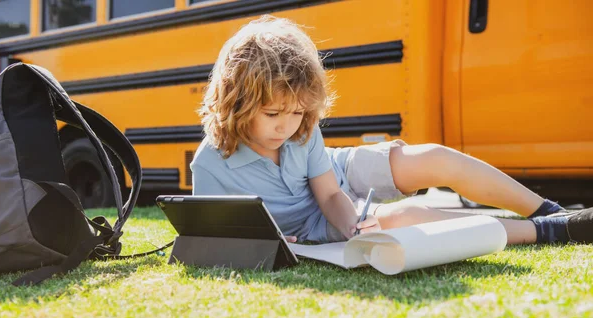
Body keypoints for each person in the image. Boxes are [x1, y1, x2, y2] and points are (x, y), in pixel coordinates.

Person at [191, 15, 592, 246]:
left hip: (333, 178)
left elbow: (330, 191)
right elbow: (212, 239)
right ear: (236, 101)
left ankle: (547, 211)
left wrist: (352, 224)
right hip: (307, 226)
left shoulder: (300, 129)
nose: (287, 125)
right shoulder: (210, 163)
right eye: (274, 112)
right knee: (407, 216)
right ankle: (547, 232)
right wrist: (271, 246)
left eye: (297, 112)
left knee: (432, 157)